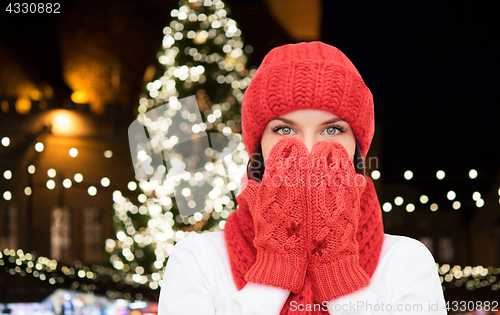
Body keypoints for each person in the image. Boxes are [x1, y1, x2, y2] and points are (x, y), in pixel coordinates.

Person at [158, 41, 447, 314]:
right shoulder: (198, 259)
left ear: (357, 148)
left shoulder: (406, 261)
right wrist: (275, 269)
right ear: (258, 147)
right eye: (284, 130)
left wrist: (339, 270)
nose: (308, 149)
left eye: (332, 130)